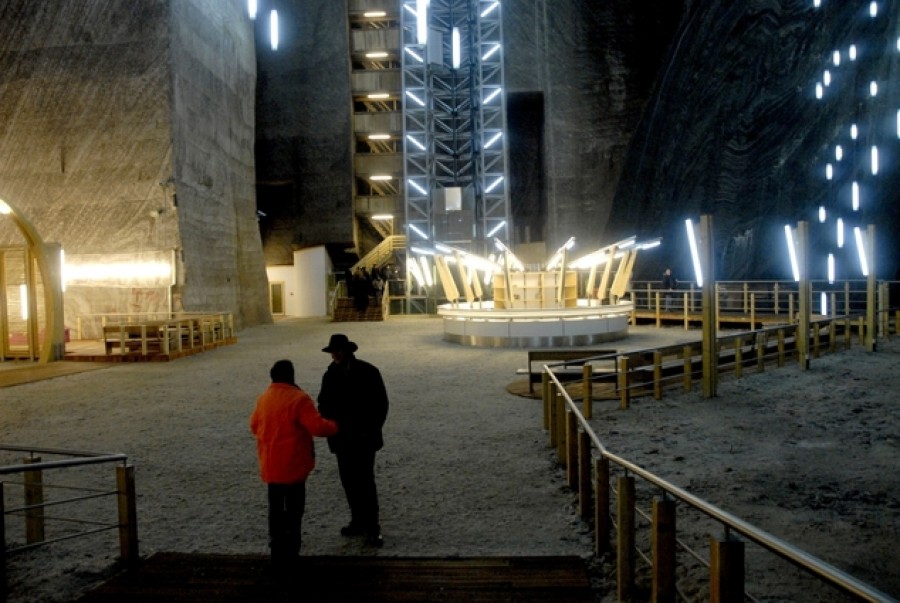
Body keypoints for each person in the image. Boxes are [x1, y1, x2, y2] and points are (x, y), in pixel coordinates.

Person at [250, 359, 338, 570]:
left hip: (271, 465)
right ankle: (292, 550)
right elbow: (317, 427)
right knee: (294, 510)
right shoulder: (298, 399)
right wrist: (336, 425)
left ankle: (276, 548)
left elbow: (254, 425)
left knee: (275, 510)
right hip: (294, 465)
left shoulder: (264, 398)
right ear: (291, 376)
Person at [317, 334, 389, 547]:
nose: (335, 354)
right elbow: (323, 403)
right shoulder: (331, 375)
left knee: (365, 482)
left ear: (347, 351)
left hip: (362, 437)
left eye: (337, 350)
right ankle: (359, 520)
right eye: (333, 351)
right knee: (349, 481)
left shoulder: (367, 372)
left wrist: (370, 428)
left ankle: (372, 526)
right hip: (343, 438)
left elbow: (380, 405)